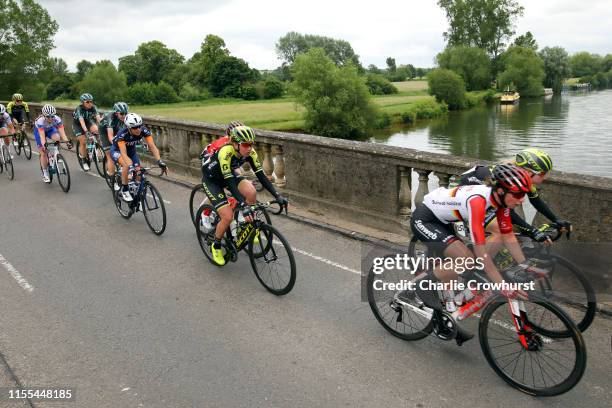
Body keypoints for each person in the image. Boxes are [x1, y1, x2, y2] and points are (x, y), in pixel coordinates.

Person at [411, 164, 535, 345]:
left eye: (524, 194)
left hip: (444, 220)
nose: (522, 199)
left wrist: (525, 265)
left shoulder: (501, 202)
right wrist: (501, 284)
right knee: (467, 260)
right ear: (500, 191)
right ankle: (423, 285)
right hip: (426, 218)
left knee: (465, 261)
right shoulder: (477, 201)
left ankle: (446, 315)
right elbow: (480, 249)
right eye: (517, 194)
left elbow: (508, 235)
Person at [201, 124, 288, 266]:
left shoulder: (250, 153)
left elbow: (262, 176)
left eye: (251, 144)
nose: (249, 148)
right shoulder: (225, 152)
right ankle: (216, 245)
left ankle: (244, 224)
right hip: (213, 181)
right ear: (235, 144)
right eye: (245, 145)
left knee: (251, 192)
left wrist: (277, 195)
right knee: (227, 216)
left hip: (228, 175)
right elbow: (230, 182)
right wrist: (242, 204)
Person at [459, 148, 571, 244]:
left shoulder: (521, 178)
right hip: (460, 203)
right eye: (542, 174)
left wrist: (557, 220)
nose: (545, 177)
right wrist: (532, 231)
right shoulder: (507, 179)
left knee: (513, 235)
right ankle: (477, 264)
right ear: (528, 171)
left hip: (482, 202)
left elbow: (536, 201)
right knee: (501, 231)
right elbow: (507, 212)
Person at [109, 113, 166, 202]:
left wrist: (159, 161)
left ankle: (137, 197)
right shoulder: (122, 134)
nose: (138, 129)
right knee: (126, 165)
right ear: (128, 127)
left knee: (138, 173)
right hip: (117, 151)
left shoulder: (144, 131)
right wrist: (130, 166)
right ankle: (125, 189)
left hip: (131, 152)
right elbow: (123, 154)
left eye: (139, 126)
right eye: (135, 127)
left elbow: (152, 146)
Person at [33, 104, 72, 183]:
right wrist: (44, 145)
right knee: (43, 152)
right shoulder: (40, 121)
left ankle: (57, 154)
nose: (51, 118)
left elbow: (62, 133)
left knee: (57, 137)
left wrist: (67, 142)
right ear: (44, 116)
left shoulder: (57, 119)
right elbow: (42, 136)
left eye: (52, 116)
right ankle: (45, 173)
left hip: (50, 129)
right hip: (39, 131)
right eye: (48, 117)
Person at [99, 102, 129, 190]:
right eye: (122, 114)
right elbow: (110, 137)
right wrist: (118, 145)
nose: (124, 116)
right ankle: (113, 179)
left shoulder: (126, 118)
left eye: (126, 113)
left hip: (117, 129)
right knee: (110, 155)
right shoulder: (111, 118)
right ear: (116, 113)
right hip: (105, 131)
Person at [72, 93, 100, 171]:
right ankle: (84, 161)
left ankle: (96, 147)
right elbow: (81, 122)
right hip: (78, 124)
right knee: (83, 141)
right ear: (82, 103)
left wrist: (103, 126)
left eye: (91, 101)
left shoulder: (94, 107)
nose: (90, 103)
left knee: (96, 129)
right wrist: (86, 131)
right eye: (87, 102)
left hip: (88, 121)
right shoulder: (79, 109)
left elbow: (98, 118)